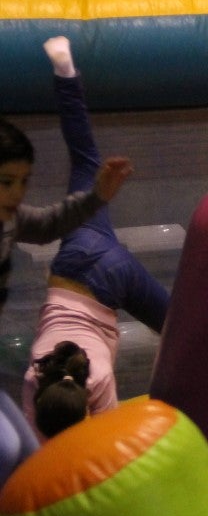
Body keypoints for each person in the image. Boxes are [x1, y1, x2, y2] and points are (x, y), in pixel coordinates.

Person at [20, 36, 171, 439]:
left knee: (180, 333)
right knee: (85, 159)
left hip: (109, 282)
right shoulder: (34, 379)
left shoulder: (98, 378)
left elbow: (104, 450)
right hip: (79, 255)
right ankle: (65, 71)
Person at [0, 62, 132, 323]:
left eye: (24, 181)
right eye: (6, 182)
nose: (18, 193)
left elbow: (48, 223)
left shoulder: (11, 219)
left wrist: (97, 196)